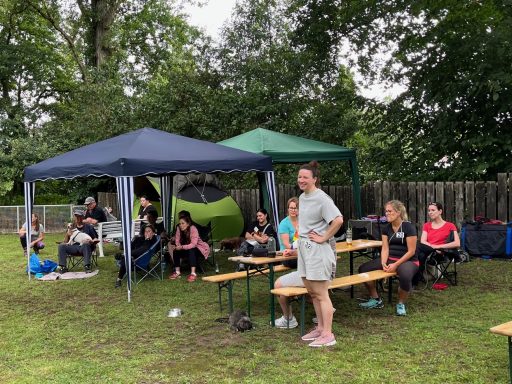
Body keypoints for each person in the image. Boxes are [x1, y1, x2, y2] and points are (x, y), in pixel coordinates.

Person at [296, 161, 343, 347]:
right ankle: (320, 328)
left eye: (305, 177)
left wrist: (324, 237)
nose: (301, 180)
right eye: (299, 177)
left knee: (322, 293)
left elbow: (338, 220)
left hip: (318, 251)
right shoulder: (301, 197)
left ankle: (328, 334)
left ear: (315, 179)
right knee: (312, 292)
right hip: (304, 248)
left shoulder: (322, 198)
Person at [358, 200, 418, 316]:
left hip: (408, 260)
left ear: (399, 212)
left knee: (405, 276)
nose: (387, 214)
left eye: (390, 211)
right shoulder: (386, 228)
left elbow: (411, 251)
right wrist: (383, 262)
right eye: (386, 211)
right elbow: (385, 248)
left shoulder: (408, 227)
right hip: (391, 259)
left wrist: (395, 265)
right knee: (363, 269)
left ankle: (401, 303)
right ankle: (376, 299)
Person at [415, 202, 461, 281]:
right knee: (420, 252)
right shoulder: (427, 225)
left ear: (440, 211)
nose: (430, 212)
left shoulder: (450, 225)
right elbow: (423, 241)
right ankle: (416, 278)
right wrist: (432, 247)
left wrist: (438, 247)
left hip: (439, 253)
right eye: (429, 210)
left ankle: (413, 276)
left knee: (417, 247)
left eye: (433, 210)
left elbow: (457, 243)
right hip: (428, 250)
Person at [168, 215, 210, 282]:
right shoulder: (179, 228)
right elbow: (177, 240)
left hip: (199, 248)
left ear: (188, 224)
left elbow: (193, 244)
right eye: (180, 223)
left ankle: (193, 273)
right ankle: (177, 272)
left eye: (183, 223)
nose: (181, 225)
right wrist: (178, 246)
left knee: (191, 250)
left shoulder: (193, 228)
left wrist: (181, 247)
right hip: (186, 248)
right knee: (176, 250)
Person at [57, 209, 99, 273]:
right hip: (73, 247)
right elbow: (66, 242)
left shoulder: (89, 227)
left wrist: (91, 241)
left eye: (79, 216)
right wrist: (67, 234)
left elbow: (95, 239)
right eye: (76, 216)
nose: (78, 218)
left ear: (83, 217)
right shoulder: (71, 227)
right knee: (61, 246)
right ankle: (63, 267)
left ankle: (87, 266)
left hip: (84, 248)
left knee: (86, 244)